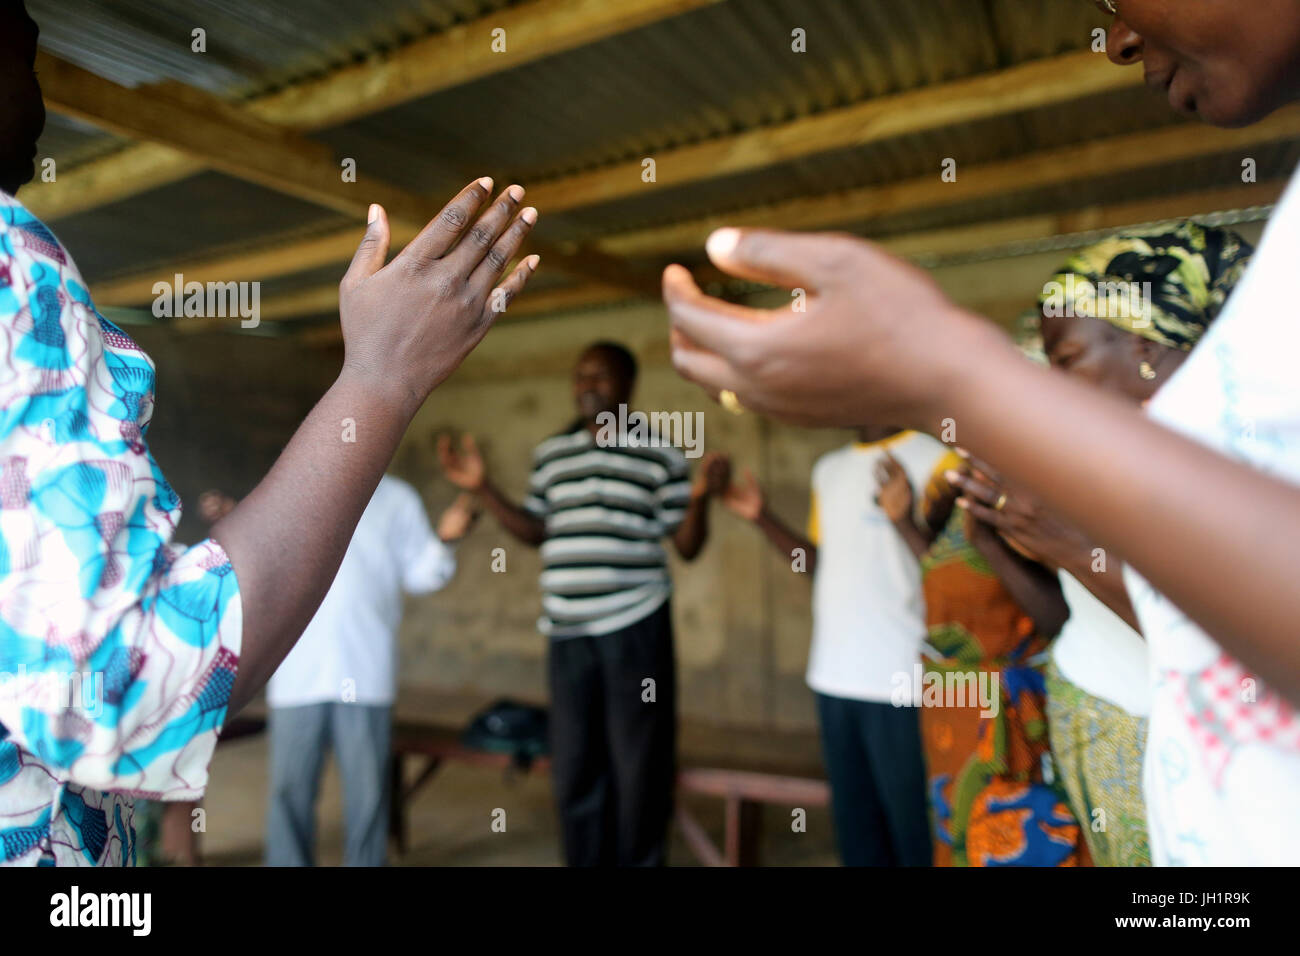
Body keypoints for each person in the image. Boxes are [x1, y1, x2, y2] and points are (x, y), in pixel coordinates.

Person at [662, 0, 1300, 865]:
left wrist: (945, 375)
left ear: (1160, 356)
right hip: (999, 712)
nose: (1112, 38)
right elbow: (1060, 612)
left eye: (1117, 2)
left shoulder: (1002, 452)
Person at [0, 0, 540, 866]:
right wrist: (381, 378)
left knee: (362, 811)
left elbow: (427, 568)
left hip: (360, 683)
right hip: (277, 696)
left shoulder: (391, 497)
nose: (43, 101)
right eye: (26, 60)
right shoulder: (11, 271)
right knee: (292, 807)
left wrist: (468, 503)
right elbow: (131, 684)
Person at [947, 223, 1253, 866]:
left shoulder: (1241, 472)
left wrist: (1064, 540)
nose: (1053, 388)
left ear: (1145, 345)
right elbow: (1064, 619)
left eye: (1066, 362)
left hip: (1173, 758)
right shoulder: (1097, 466)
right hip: (1086, 729)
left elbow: (1233, 658)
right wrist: (996, 531)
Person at [438, 342, 728, 866]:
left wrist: (702, 498)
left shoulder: (659, 455)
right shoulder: (553, 454)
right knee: (574, 763)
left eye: (600, 376)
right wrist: (483, 489)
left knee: (639, 762)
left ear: (628, 386)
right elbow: (534, 530)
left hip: (635, 628)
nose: (586, 386)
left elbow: (686, 547)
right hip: (567, 632)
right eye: (579, 377)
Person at [720, 426, 944, 866]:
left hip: (902, 681)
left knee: (915, 836)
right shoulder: (831, 470)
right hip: (834, 677)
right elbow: (823, 563)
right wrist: (761, 517)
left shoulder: (939, 460)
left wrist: (903, 521)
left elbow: (955, 575)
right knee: (858, 839)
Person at [877, 442, 1086, 866]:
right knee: (956, 836)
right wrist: (904, 522)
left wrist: (988, 541)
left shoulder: (1027, 495)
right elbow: (954, 578)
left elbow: (1061, 617)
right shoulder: (961, 488)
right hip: (950, 707)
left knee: (1007, 836)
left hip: (1000, 717)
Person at [264, 478, 476, 867]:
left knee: (368, 794)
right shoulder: (291, 486)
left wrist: (445, 541)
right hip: (296, 668)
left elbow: (419, 575)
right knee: (289, 791)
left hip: (365, 669)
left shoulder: (398, 498)